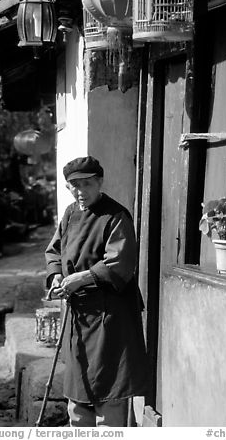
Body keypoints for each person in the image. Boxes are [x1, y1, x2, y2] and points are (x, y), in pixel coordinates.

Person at [45, 156, 148, 427]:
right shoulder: (70, 214)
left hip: (110, 317)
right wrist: (57, 276)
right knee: (78, 394)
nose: (80, 191)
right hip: (80, 316)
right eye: (73, 185)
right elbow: (55, 250)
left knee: (108, 391)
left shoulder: (116, 215)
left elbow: (119, 263)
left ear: (100, 182)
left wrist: (81, 278)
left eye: (86, 184)